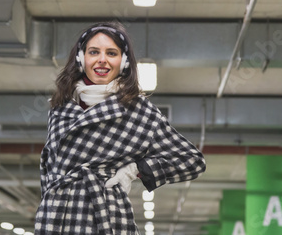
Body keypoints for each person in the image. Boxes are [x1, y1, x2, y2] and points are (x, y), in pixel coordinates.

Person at [35, 21, 206, 235]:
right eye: (94, 52)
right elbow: (49, 167)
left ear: (123, 62)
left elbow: (192, 160)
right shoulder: (60, 107)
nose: (102, 60)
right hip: (55, 217)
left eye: (112, 53)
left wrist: (134, 170)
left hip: (104, 217)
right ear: (81, 58)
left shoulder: (138, 110)